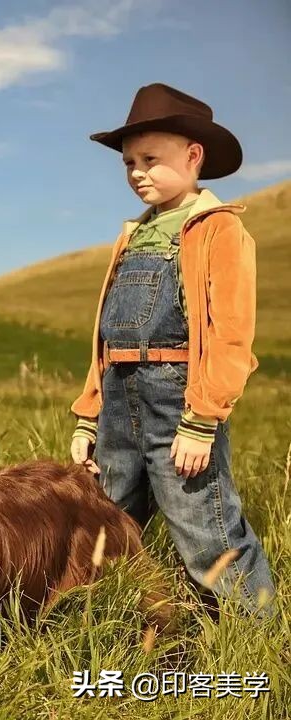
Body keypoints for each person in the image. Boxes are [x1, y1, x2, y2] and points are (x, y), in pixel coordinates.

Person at [69, 83, 276, 618]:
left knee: (203, 524)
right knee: (107, 521)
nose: (137, 172)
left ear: (192, 156)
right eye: (129, 162)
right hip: (118, 398)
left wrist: (203, 418)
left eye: (151, 159)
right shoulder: (131, 236)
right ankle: (114, 625)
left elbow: (231, 332)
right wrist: (89, 418)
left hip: (178, 400)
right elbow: (106, 337)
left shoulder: (217, 229)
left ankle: (256, 634)